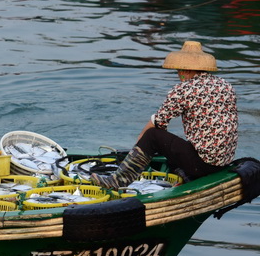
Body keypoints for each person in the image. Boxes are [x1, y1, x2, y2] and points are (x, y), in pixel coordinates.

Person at [91, 40, 238, 189]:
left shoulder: (183, 89)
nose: (179, 74)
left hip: (202, 165)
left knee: (152, 135)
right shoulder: (225, 85)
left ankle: (117, 181)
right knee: (171, 141)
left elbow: (158, 123)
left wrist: (140, 144)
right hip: (222, 162)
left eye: (179, 71)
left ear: (185, 70)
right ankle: (184, 174)